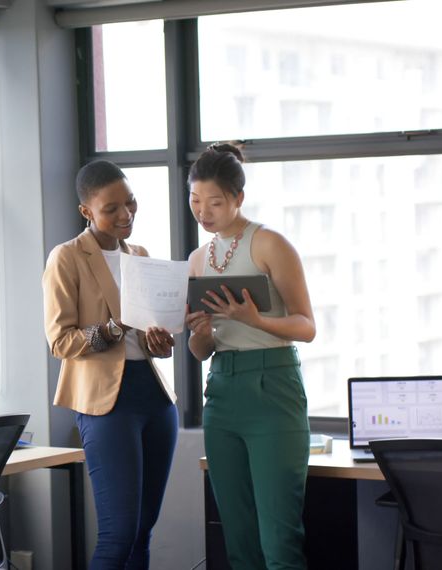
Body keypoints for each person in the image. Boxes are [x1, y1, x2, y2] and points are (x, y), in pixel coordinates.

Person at [185, 142, 316, 570]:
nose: (203, 212)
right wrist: (201, 333)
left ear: (238, 198)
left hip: (272, 389)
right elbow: (200, 351)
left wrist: (255, 319)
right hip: (222, 391)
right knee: (238, 540)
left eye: (215, 202)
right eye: (195, 200)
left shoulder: (269, 243)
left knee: (279, 540)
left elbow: (306, 326)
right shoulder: (197, 259)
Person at [42, 159, 179, 570]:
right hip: (106, 404)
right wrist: (113, 330)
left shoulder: (140, 254)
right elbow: (60, 340)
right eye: (112, 209)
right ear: (87, 212)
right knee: (118, 533)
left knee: (142, 532)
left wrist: (158, 340)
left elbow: (151, 338)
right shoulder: (67, 258)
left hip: (155, 398)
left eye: (131, 204)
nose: (126, 215)